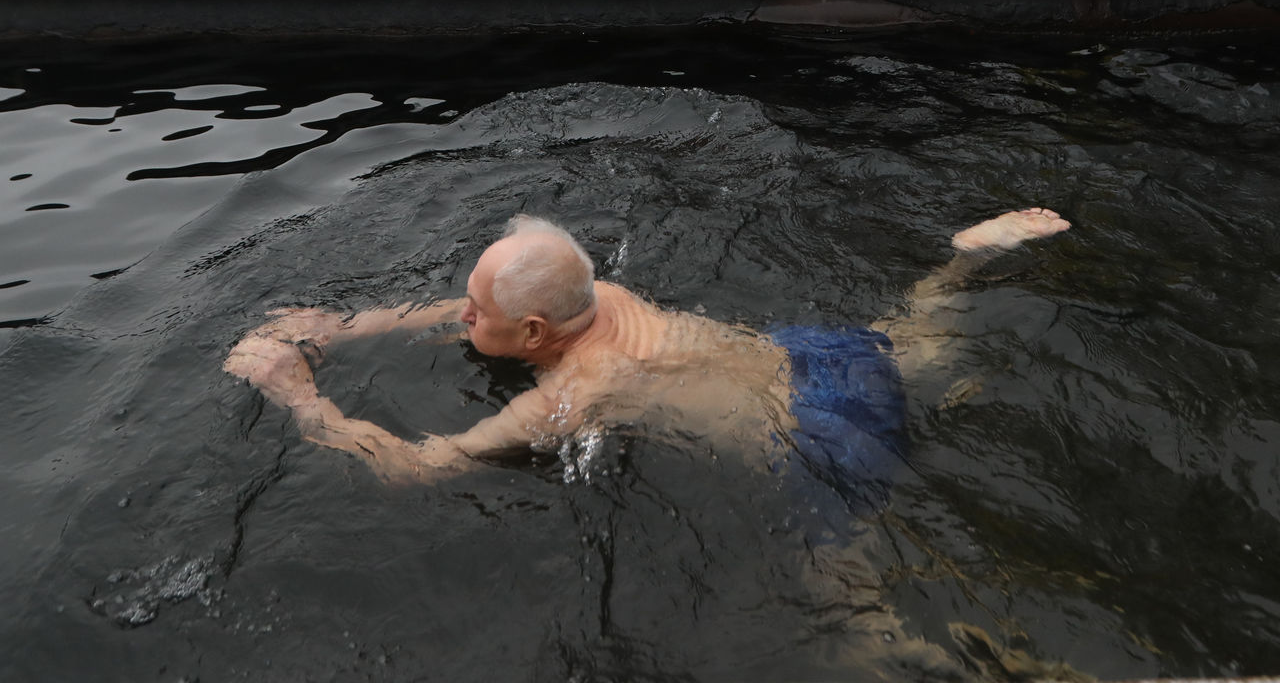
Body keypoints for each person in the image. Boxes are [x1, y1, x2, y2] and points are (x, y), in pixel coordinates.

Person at [225, 208, 1071, 511]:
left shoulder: (581, 391)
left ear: (532, 337)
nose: (461, 310)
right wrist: (342, 324)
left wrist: (300, 395)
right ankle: (963, 262)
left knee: (855, 611)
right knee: (907, 343)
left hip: (821, 443)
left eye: (477, 308)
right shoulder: (598, 297)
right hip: (813, 358)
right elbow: (467, 308)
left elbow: (418, 466)